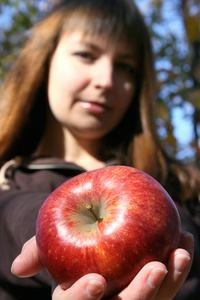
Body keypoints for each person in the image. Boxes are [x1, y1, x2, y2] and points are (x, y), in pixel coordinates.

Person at [0, 0, 199, 299]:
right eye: (86, 55)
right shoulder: (8, 180)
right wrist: (45, 233)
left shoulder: (183, 185)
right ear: (44, 61)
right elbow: (12, 212)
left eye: (125, 67)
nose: (106, 81)